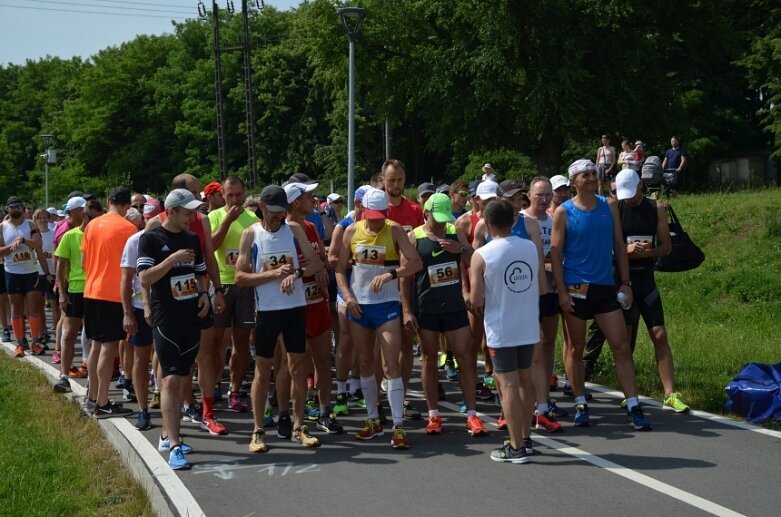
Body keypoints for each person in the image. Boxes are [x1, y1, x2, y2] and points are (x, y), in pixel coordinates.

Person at [550, 159, 652, 431]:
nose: (592, 177)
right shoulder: (564, 211)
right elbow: (556, 253)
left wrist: (626, 282)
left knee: (621, 346)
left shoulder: (608, 205)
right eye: (585, 174)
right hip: (575, 289)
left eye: (594, 173)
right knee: (575, 348)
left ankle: (633, 404)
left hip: (605, 287)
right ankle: (581, 403)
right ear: (574, 181)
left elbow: (619, 245)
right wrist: (560, 291)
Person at [583, 170, 689, 413]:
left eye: (632, 194)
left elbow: (666, 247)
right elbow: (603, 250)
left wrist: (646, 252)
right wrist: (625, 251)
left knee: (660, 335)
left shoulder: (656, 208)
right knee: (625, 340)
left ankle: (670, 394)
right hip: (621, 281)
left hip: (646, 280)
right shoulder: (614, 209)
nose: (628, 199)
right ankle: (629, 393)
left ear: (641, 185)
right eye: (623, 195)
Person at [235, 185, 326, 452]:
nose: (279, 217)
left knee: (298, 366)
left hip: (295, 308)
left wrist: (295, 274)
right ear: (261, 208)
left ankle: (299, 427)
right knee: (263, 371)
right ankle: (258, 430)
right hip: (266, 312)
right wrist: (274, 275)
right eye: (274, 212)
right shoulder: (251, 234)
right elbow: (240, 278)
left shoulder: (294, 230)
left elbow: (317, 263)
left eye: (282, 212)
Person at [335, 187, 422, 448]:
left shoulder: (394, 230)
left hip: (386, 304)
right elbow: (339, 270)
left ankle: (398, 425)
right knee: (364, 363)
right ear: (362, 210)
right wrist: (348, 298)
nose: (374, 222)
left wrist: (392, 274)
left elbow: (415, 262)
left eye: (379, 217)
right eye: (370, 216)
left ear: (386, 212)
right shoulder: (352, 230)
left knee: (390, 365)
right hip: (359, 305)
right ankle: (373, 420)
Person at [401, 193, 487, 436]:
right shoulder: (414, 237)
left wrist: (459, 248)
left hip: (453, 307)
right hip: (426, 307)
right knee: (429, 359)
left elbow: (474, 259)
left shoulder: (453, 232)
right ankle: (434, 415)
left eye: (444, 219)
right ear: (425, 213)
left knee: (466, 357)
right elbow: (405, 279)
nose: (440, 224)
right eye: (436, 219)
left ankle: (472, 415)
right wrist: (407, 311)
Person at [138, 189, 211, 470]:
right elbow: (144, 278)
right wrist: (171, 260)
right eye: (187, 211)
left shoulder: (192, 238)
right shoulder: (151, 238)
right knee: (169, 379)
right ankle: (175, 447)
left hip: (191, 314)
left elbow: (200, 273)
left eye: (194, 211)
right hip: (166, 317)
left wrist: (204, 294)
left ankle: (169, 436)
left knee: (183, 377)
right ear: (170, 212)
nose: (192, 216)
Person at [470, 199, 544, 463]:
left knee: (508, 385)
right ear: (513, 221)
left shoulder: (482, 255)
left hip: (502, 328)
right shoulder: (530, 247)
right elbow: (537, 283)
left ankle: (515, 447)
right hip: (528, 324)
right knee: (525, 382)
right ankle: (524, 438)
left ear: (487, 225)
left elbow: (476, 301)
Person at [283, 181, 344, 434]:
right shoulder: (285, 231)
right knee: (296, 365)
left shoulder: (310, 226)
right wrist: (313, 269)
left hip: (318, 301)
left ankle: (324, 412)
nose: (314, 200)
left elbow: (321, 260)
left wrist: (318, 266)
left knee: (322, 360)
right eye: (309, 197)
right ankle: (293, 415)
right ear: (296, 202)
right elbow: (291, 269)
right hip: (296, 306)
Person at [206, 175, 258, 431]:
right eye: (230, 196)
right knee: (217, 341)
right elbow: (211, 246)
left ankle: (235, 391)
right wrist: (227, 220)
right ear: (223, 195)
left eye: (239, 195)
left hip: (245, 285)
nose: (235, 200)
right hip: (221, 285)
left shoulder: (253, 219)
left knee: (241, 341)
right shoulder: (214, 216)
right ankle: (214, 385)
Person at [81, 187, 137, 416]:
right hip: (112, 293)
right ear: (127, 206)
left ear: (108, 201)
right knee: (108, 347)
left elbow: (85, 261)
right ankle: (102, 401)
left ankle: (92, 396)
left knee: (95, 344)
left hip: (91, 290)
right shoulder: (129, 228)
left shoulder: (92, 225)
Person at [522, 177, 568, 432]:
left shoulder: (554, 220)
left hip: (550, 289)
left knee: (548, 342)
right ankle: (528, 398)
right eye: (539, 194)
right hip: (527, 291)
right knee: (533, 346)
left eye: (547, 194)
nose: (544, 198)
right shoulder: (520, 220)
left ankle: (545, 398)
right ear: (529, 195)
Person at [381, 159, 425, 420]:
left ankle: (402, 396)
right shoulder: (375, 209)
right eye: (391, 180)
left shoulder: (415, 210)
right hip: (380, 284)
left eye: (399, 180)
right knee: (382, 345)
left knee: (407, 343)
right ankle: (378, 394)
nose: (396, 185)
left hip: (409, 283)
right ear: (382, 180)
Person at [0, 196, 46, 356]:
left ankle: (35, 342)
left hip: (30, 272)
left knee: (34, 307)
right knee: (16, 308)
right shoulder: (2, 227)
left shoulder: (30, 224)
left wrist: (25, 240)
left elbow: (38, 244)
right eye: (13, 207)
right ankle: (20, 343)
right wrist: (10, 248)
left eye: (19, 206)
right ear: (8, 209)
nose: (16, 209)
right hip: (12, 272)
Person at [52, 198, 89, 392]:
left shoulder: (97, 233)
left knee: (94, 335)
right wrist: (61, 292)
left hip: (95, 290)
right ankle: (64, 375)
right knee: (69, 334)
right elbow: (60, 264)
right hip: (75, 289)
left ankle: (91, 374)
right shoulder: (69, 235)